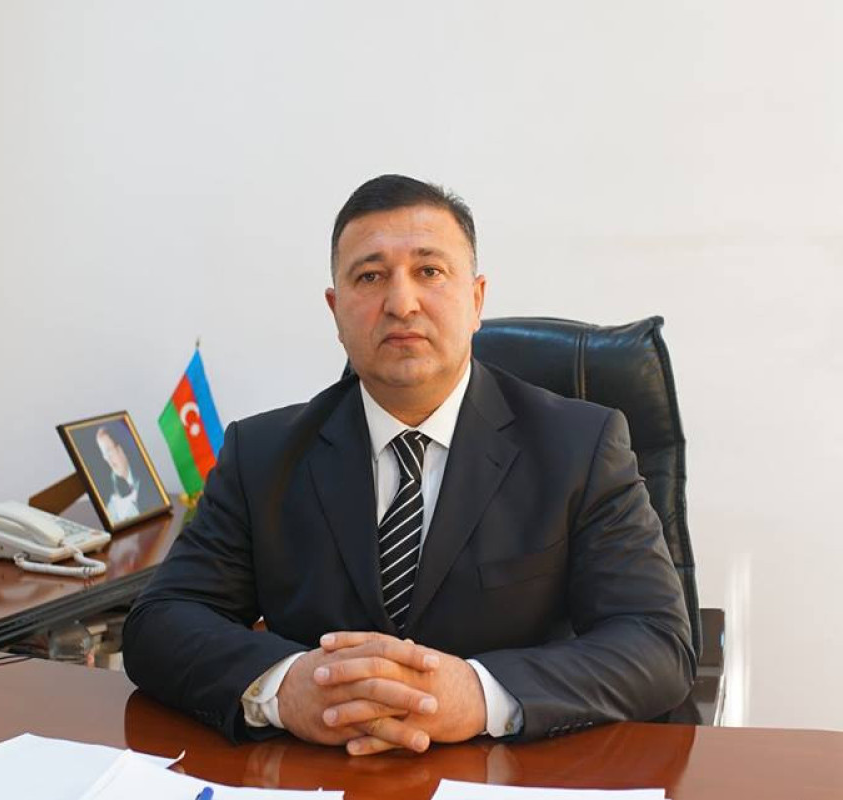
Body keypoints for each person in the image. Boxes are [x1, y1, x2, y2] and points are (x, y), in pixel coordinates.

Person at [121, 174, 694, 756]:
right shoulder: (262, 454)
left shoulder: (581, 447)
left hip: (509, 773)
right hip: (319, 773)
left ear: (476, 299)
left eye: (430, 271)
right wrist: (285, 687)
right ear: (336, 310)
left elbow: (656, 642)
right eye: (370, 277)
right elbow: (160, 621)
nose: (401, 303)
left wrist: (480, 694)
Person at [95, 425, 158, 524]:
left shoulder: (145, 477)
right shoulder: (110, 492)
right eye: (105, 455)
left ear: (120, 449)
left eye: (109, 451)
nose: (108, 460)